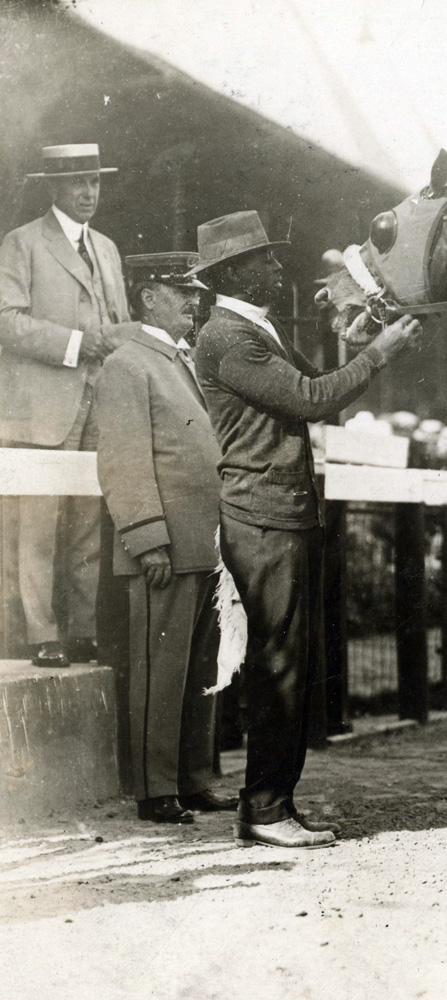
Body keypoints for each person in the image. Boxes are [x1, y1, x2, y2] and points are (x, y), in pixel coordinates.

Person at [190, 210, 417, 849]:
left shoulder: (249, 329)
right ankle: (264, 811)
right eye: (263, 259)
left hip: (278, 515)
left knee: (287, 664)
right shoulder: (231, 337)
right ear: (234, 272)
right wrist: (380, 352)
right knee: (279, 667)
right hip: (263, 517)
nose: (277, 266)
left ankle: (273, 806)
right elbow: (314, 399)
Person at [95, 252, 237, 823]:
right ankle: (157, 790)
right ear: (147, 296)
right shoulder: (129, 364)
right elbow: (123, 460)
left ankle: (194, 778)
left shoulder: (184, 360)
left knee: (201, 669)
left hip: (205, 544)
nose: (194, 301)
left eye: (197, 292)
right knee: (160, 668)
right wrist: (145, 536)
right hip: (165, 548)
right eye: (181, 291)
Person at [0, 144, 140, 668]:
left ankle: (81, 629)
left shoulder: (106, 247)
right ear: (53, 187)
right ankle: (42, 634)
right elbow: (6, 321)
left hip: (99, 400)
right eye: (78, 182)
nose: (89, 192)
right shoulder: (23, 244)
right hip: (42, 404)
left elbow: (118, 320)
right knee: (38, 519)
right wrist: (80, 343)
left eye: (95, 181)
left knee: (86, 518)